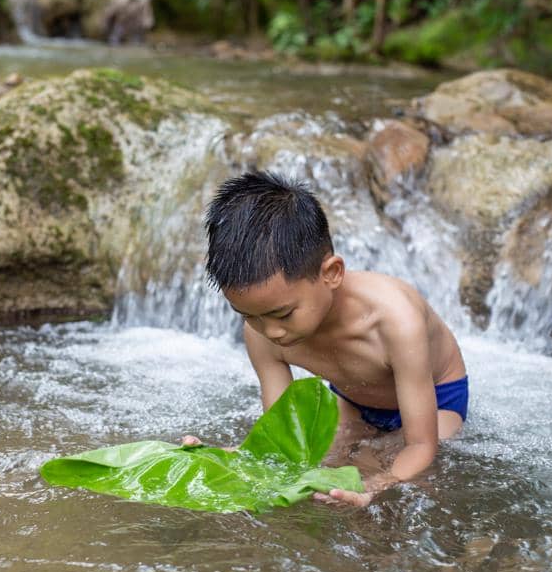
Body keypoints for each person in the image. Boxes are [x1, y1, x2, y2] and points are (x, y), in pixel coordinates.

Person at [193, 170, 469, 507]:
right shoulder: (261, 330)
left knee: (401, 479)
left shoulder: (394, 320)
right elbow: (284, 442)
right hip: (352, 398)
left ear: (332, 273)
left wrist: (377, 488)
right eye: (248, 315)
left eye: (282, 315)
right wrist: (223, 457)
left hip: (438, 400)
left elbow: (421, 446)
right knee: (327, 470)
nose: (271, 332)